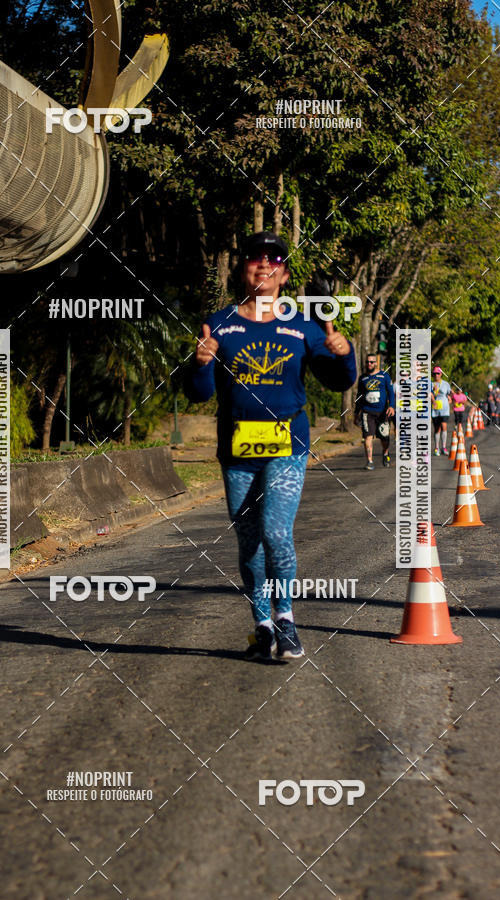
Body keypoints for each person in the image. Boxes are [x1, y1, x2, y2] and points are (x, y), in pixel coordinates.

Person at [185, 231, 357, 662]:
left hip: (287, 447)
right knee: (248, 544)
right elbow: (198, 394)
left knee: (276, 532)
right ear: (243, 269)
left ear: (283, 274)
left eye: (274, 259)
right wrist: (202, 363)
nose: (264, 264)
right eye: (255, 258)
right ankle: (261, 623)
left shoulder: (302, 326)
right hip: (237, 452)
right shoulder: (220, 323)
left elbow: (340, 380)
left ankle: (286, 619)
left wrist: (344, 352)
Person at [353, 353, 395, 470]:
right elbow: (359, 396)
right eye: (367, 362)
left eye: (372, 362)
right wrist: (356, 413)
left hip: (382, 412)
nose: (369, 364)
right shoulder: (363, 378)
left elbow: (391, 393)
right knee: (368, 437)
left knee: (384, 437)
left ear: (376, 363)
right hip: (367, 412)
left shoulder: (384, 376)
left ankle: (385, 454)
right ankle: (370, 461)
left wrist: (391, 406)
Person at [431, 366, 452, 455]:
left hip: (444, 409)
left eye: (438, 373)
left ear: (441, 374)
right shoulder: (431, 384)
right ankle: (436, 448)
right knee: (437, 429)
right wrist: (433, 397)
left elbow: (449, 394)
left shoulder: (446, 384)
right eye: (435, 373)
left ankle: (443, 447)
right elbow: (429, 395)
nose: (436, 375)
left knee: (444, 426)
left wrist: (450, 399)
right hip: (435, 410)